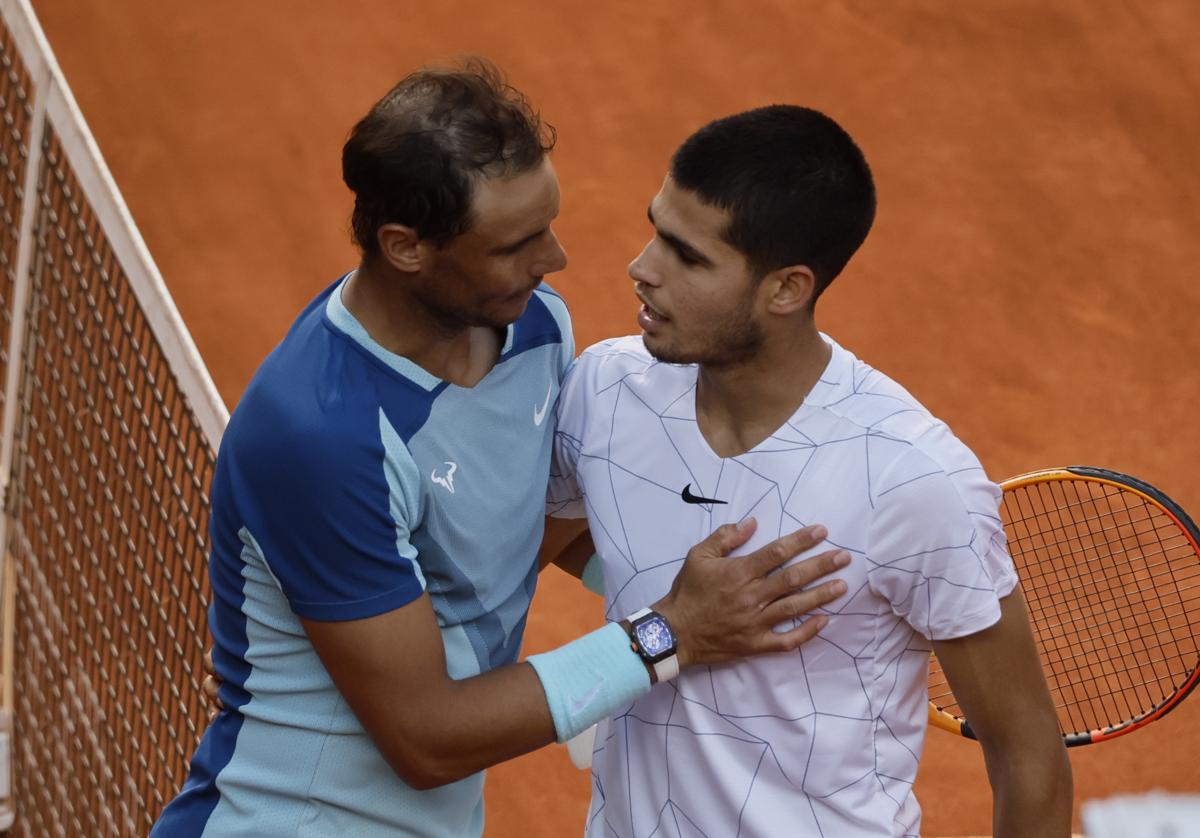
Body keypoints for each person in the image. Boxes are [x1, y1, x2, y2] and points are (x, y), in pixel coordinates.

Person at [151, 60, 850, 838]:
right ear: (406, 247)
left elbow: (517, 527)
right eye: (516, 243)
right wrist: (670, 632)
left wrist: (742, 597)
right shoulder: (319, 436)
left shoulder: (535, 328)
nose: (554, 261)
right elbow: (427, 738)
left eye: (547, 225)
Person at [546, 106, 1074, 837]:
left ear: (788, 289)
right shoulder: (604, 392)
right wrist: (683, 615)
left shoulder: (910, 479)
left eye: (688, 256)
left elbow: (1027, 755)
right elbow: (542, 545)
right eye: (656, 229)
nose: (643, 268)